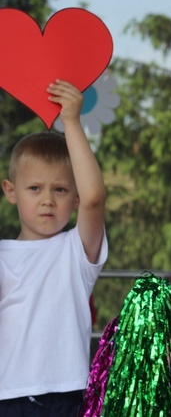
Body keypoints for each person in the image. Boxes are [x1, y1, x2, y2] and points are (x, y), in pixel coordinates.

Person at [0, 81, 108, 416]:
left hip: (67, 394)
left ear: (74, 199)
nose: (47, 199)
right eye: (34, 188)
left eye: (60, 190)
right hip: (8, 394)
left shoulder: (76, 250)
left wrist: (72, 123)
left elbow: (95, 196)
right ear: (10, 190)